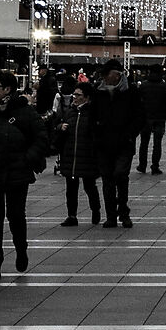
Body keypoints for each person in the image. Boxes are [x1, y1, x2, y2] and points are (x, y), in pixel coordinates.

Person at [0, 70, 45, 277]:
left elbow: (41, 137)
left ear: (7, 89)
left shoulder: (24, 112)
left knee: (16, 215)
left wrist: (27, 158)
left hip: (17, 172)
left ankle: (21, 250)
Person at [93, 60, 140, 227]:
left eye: (117, 73)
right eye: (108, 73)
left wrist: (130, 135)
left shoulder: (130, 91)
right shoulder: (97, 92)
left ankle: (124, 211)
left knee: (121, 175)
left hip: (124, 143)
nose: (106, 77)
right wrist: (96, 135)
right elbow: (92, 116)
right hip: (103, 144)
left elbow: (138, 115)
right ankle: (111, 216)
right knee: (107, 180)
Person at [57, 81, 108, 225]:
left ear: (87, 98)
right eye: (74, 94)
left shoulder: (92, 113)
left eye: (78, 95)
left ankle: (95, 210)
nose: (74, 97)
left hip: (87, 156)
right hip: (70, 155)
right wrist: (60, 127)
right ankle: (72, 215)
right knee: (71, 188)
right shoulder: (70, 111)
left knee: (89, 186)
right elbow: (58, 125)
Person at [135, 66, 166, 173]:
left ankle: (142, 165)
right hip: (160, 118)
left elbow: (137, 102)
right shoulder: (164, 86)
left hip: (146, 118)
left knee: (144, 143)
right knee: (157, 144)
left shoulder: (143, 86)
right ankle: (155, 166)